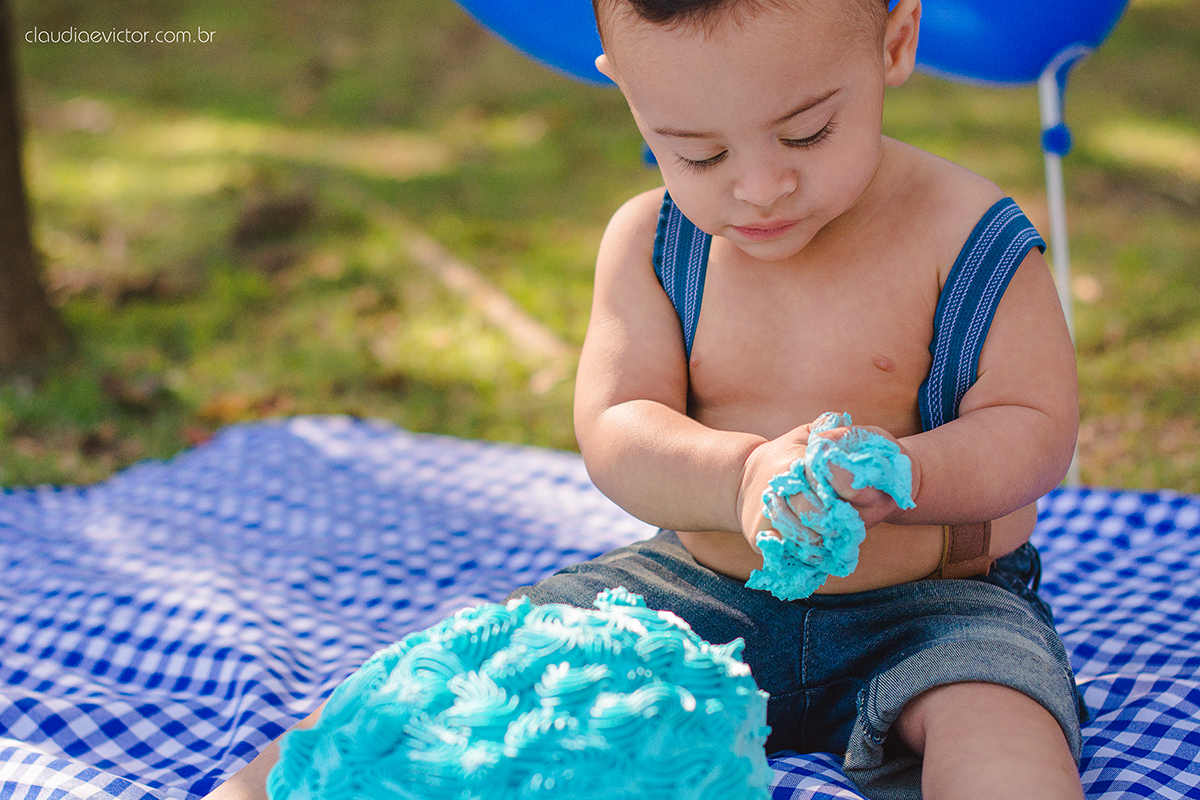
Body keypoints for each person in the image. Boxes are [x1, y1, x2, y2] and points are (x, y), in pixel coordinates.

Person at [210, 1, 1085, 798]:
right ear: (628, 95)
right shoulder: (653, 243)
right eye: (699, 152)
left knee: (1001, 717)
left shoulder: (970, 234)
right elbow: (619, 429)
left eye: (809, 134)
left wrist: (906, 474)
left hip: (937, 608)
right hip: (696, 585)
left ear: (896, 44)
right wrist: (743, 477)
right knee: (496, 673)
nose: (758, 186)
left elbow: (1034, 426)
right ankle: (279, 785)